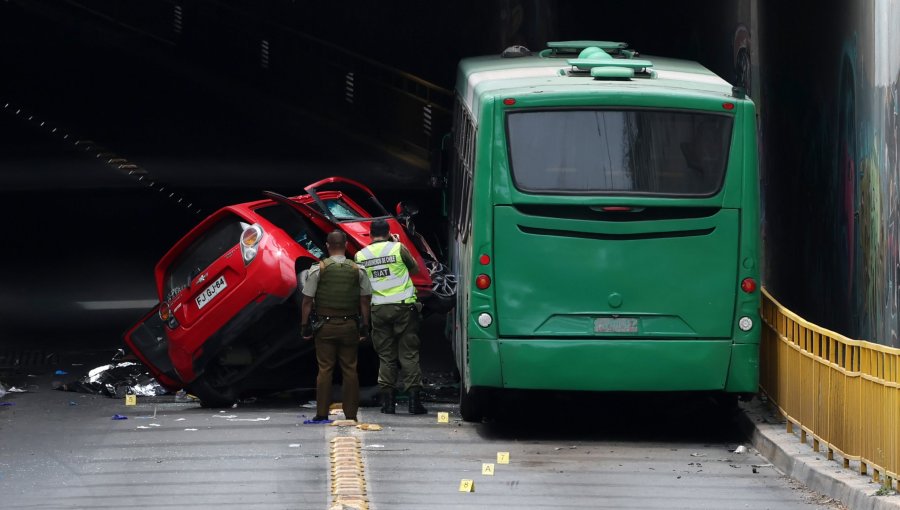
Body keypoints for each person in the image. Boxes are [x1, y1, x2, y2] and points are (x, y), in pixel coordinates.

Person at [355, 219, 426, 414]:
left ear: (370, 235)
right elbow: (415, 269)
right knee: (409, 354)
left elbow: (361, 287)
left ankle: (388, 404)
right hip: (404, 308)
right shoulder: (398, 248)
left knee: (386, 357)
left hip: (378, 309)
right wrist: (395, 243)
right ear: (388, 233)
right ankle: (413, 403)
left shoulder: (360, 256)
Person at [300, 230, 372, 423]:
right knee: (350, 369)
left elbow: (307, 301)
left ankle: (321, 413)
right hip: (349, 326)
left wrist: (305, 325)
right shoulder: (358, 270)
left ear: (327, 245)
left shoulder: (318, 269)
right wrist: (365, 326)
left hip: (325, 327)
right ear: (346, 245)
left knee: (325, 369)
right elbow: (365, 301)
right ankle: (351, 415)